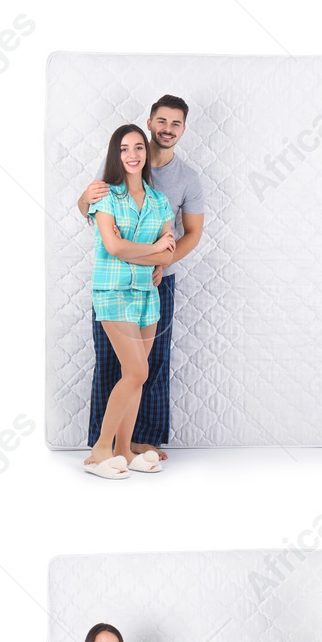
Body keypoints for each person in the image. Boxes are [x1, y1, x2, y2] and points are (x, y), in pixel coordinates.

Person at [77, 95, 206, 467]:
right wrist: (85, 199)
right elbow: (111, 243)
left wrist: (162, 259)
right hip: (115, 285)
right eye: (162, 121)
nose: (168, 128)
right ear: (150, 122)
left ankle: (131, 445)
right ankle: (101, 446)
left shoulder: (172, 190)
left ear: (183, 129)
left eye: (176, 123)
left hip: (153, 284)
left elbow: (187, 236)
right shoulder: (110, 186)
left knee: (148, 369)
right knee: (119, 366)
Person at [81, 125, 176, 479]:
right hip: (112, 292)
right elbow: (113, 247)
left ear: (146, 153)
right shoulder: (106, 197)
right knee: (138, 370)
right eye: (124, 149)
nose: (133, 154)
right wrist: (152, 249)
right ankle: (99, 451)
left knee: (133, 377)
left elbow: (166, 257)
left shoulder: (160, 202)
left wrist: (152, 255)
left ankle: (124, 449)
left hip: (147, 297)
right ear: (115, 155)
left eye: (138, 147)